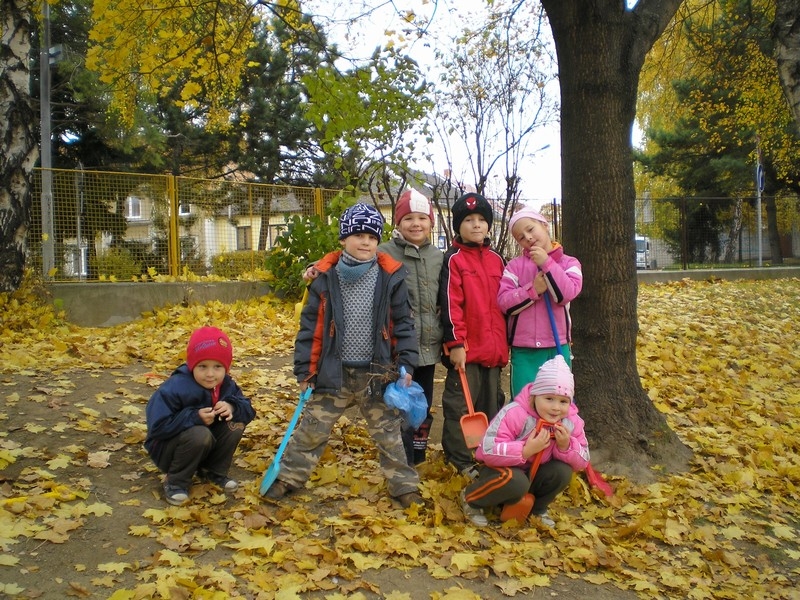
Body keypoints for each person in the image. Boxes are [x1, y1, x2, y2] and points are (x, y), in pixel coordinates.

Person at [263, 203, 423, 508]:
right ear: (343, 239)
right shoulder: (325, 278)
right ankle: (289, 477)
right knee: (312, 429)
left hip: (375, 373)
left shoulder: (390, 277)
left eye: (372, 237)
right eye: (359, 235)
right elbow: (311, 329)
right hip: (332, 372)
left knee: (388, 433)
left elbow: (403, 324)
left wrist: (405, 363)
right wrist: (306, 371)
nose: (366, 242)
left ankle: (403, 486)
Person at [459, 355, 590, 527]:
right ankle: (472, 499)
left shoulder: (571, 422)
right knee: (517, 481)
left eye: (563, 401)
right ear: (535, 396)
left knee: (562, 471)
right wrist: (525, 451)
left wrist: (566, 446)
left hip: (533, 476)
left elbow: (583, 459)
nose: (556, 407)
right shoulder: (515, 414)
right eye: (549, 399)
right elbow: (488, 450)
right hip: (502, 472)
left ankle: (537, 509)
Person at [144, 326, 256, 506]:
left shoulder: (227, 385)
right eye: (202, 366)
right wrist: (194, 417)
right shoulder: (175, 387)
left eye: (217, 367)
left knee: (234, 425)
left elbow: (249, 410)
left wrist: (232, 406)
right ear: (192, 365)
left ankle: (213, 472)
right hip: (168, 450)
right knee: (199, 433)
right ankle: (176, 482)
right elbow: (157, 427)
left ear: (226, 368)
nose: (210, 374)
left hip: (204, 447)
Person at [439, 192, 508, 479]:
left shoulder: (497, 260)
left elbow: (506, 302)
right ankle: (459, 459)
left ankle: (487, 454)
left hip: (494, 350)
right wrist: (455, 343)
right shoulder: (454, 260)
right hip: (467, 351)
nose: (476, 225)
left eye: (481, 219)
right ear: (458, 226)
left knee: (492, 405)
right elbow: (450, 303)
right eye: (468, 220)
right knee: (460, 407)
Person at [378, 189, 444, 465]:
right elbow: (348, 257)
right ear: (398, 222)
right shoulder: (384, 252)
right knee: (396, 404)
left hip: (427, 347)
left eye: (422, 218)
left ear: (431, 222)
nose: (416, 224)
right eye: (408, 218)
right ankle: (398, 458)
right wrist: (317, 267)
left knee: (422, 404)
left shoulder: (438, 256)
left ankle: (417, 456)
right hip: (397, 347)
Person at [497, 209, 582, 397]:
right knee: (523, 402)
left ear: (544, 225)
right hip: (524, 350)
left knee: (557, 400)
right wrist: (533, 289)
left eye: (530, 229)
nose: (527, 237)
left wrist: (547, 264)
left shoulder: (569, 263)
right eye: (521, 237)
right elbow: (504, 302)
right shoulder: (514, 267)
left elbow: (567, 294)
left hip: (557, 346)